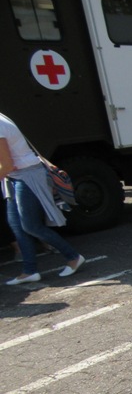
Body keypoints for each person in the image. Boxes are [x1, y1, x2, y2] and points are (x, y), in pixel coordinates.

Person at [0, 112, 84, 285]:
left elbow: (7, 164)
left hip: (28, 174)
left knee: (30, 226)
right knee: (16, 224)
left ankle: (73, 257)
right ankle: (29, 271)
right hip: (14, 176)